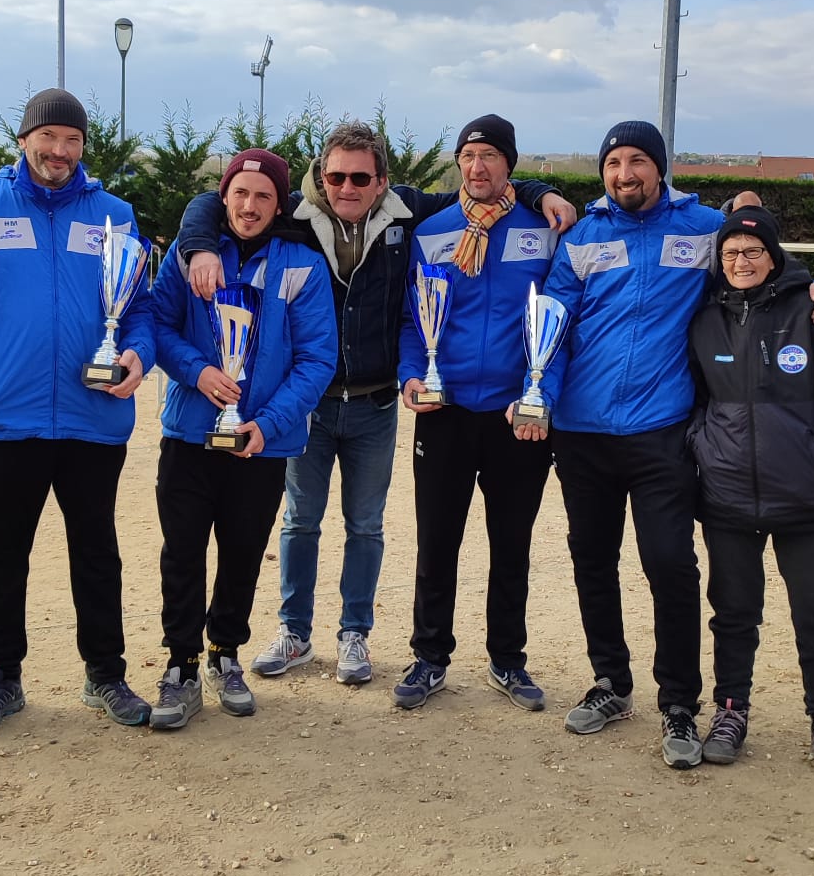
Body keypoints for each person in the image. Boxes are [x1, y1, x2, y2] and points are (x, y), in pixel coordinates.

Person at [177, 124, 574, 686]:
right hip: (309, 403)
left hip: (382, 403)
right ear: (320, 176)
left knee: (368, 526)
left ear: (382, 181)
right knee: (300, 523)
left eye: (361, 177)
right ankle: (298, 631)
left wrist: (541, 191)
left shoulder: (408, 213)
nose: (346, 186)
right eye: (335, 175)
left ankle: (361, 636)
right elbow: (215, 200)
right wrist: (195, 244)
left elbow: (489, 190)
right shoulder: (290, 213)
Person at [528, 120, 814, 769]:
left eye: (638, 160)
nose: (625, 173)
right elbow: (552, 326)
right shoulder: (582, 237)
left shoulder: (702, 227)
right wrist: (540, 394)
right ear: (602, 173)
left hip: (663, 433)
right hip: (583, 436)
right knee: (593, 561)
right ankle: (612, 685)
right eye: (614, 162)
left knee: (670, 565)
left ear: (661, 167)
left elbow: (759, 262)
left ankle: (680, 703)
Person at [0, 88, 157, 740]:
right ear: (23, 140)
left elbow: (137, 308)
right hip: (5, 419)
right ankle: (0, 679)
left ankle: (105, 674)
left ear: (83, 147)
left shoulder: (113, 216)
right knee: (3, 553)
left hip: (94, 416)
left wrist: (137, 356)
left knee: (97, 551)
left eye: (72, 140)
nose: (59, 151)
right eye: (48, 137)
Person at [151, 148, 336, 729]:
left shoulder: (301, 265)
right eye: (239, 194)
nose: (249, 206)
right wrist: (195, 370)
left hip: (262, 443)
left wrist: (270, 423)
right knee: (181, 551)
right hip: (190, 432)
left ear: (279, 204)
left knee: (242, 555)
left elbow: (316, 358)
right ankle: (180, 663)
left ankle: (223, 652)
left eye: (262, 196)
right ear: (223, 197)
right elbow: (155, 325)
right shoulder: (190, 257)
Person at [686, 206, 814, 776]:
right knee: (734, 613)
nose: (741, 262)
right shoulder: (702, 315)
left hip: (806, 500)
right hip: (728, 498)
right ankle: (731, 710)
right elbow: (692, 400)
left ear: (773, 255)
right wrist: (705, 449)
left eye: (753, 252)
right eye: (731, 253)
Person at [394, 114, 559, 714]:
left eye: (489, 155)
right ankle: (430, 656)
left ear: (509, 164)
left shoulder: (543, 228)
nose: (477, 166)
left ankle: (508, 660)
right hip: (446, 410)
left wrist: (545, 395)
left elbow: (559, 318)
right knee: (437, 541)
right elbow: (415, 318)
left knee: (510, 544)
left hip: (520, 415)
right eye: (467, 155)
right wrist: (412, 375)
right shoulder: (432, 230)